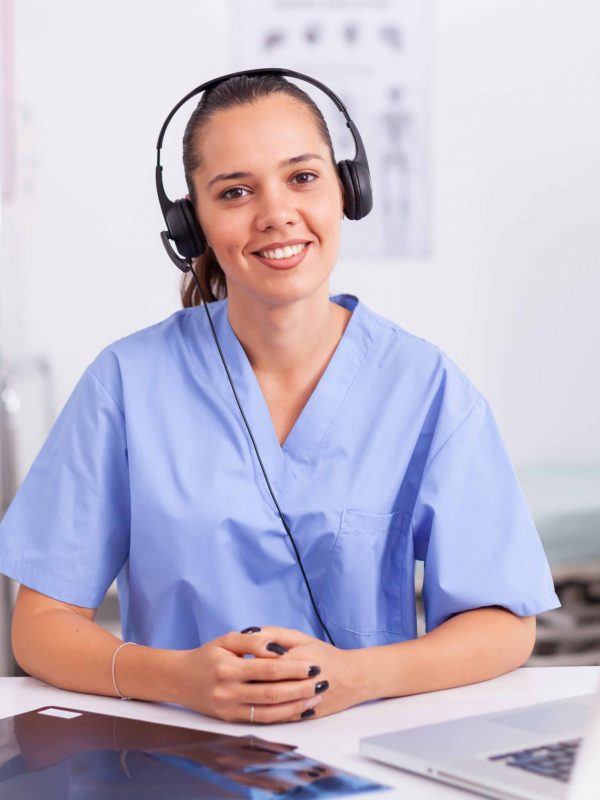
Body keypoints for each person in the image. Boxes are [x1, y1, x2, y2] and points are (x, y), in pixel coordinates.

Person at [0, 72, 560, 726]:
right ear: (192, 223)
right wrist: (177, 679)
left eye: (302, 177)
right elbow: (40, 623)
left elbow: (502, 622)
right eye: (234, 192)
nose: (275, 214)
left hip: (366, 760)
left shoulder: (425, 386)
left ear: (346, 189)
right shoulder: (126, 383)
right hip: (173, 762)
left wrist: (358, 676)